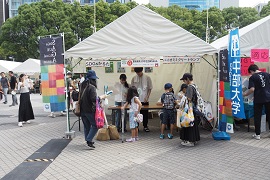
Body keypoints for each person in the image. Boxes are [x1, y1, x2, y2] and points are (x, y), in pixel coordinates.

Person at [80, 70, 106, 149]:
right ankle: (88, 139)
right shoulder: (92, 87)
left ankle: (88, 140)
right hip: (89, 110)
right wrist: (101, 97)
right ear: (93, 79)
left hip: (82, 109)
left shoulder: (82, 85)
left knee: (86, 126)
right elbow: (94, 99)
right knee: (95, 125)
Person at [243, 64, 270, 140]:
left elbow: (252, 89)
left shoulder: (253, 77)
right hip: (268, 97)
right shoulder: (267, 74)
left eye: (250, 72)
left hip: (258, 99)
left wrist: (244, 94)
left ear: (251, 71)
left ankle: (257, 134)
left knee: (257, 116)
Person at [179, 73, 200, 146]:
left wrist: (183, 96)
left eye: (184, 80)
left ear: (187, 79)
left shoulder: (190, 87)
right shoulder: (195, 86)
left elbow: (189, 98)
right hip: (194, 108)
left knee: (189, 124)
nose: (184, 82)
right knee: (193, 124)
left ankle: (190, 141)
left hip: (190, 108)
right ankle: (194, 139)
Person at [131, 67, 153, 132]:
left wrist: (147, 97)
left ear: (142, 71)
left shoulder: (147, 78)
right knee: (136, 112)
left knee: (145, 113)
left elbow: (150, 88)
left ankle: (145, 126)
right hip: (136, 99)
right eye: (137, 73)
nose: (138, 74)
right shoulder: (134, 78)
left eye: (139, 72)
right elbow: (131, 89)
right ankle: (136, 126)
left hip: (145, 99)